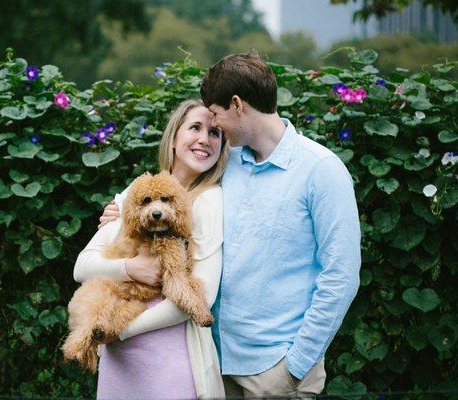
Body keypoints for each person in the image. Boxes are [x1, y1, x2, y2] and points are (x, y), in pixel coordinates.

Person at [102, 53, 362, 399]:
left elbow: (341, 276)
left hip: (276, 372)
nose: (214, 128)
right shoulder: (228, 163)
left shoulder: (320, 170)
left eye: (216, 115)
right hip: (214, 365)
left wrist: (296, 365)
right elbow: (178, 199)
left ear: (237, 104)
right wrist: (121, 213)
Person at [73, 99, 229, 400]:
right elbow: (82, 266)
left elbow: (202, 299)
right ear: (172, 139)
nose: (204, 139)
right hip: (120, 364)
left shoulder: (209, 201)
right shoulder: (137, 192)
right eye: (195, 128)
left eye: (215, 133)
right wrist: (129, 268)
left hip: (169, 362)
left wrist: (119, 331)